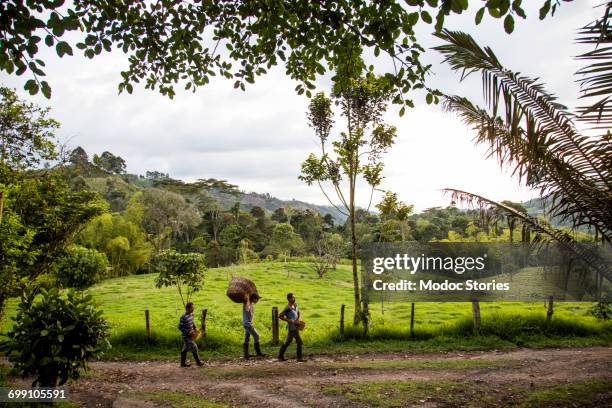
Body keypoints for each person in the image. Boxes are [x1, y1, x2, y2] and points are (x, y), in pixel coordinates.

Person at [278, 292, 306, 362]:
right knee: (299, 342)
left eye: (294, 297)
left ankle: (280, 356)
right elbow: (280, 316)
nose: (294, 298)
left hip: (296, 326)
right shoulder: (288, 308)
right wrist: (289, 320)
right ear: (289, 299)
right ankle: (299, 358)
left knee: (288, 341)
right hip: (292, 327)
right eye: (293, 297)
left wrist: (297, 319)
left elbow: (298, 312)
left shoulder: (295, 305)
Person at [178, 302, 204, 367]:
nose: (193, 309)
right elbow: (180, 327)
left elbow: (192, 322)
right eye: (192, 308)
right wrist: (188, 332)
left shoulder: (191, 314)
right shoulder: (183, 317)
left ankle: (182, 363)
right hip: (186, 337)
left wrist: (195, 328)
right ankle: (198, 362)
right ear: (187, 308)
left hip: (191, 336)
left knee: (185, 348)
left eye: (193, 308)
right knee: (194, 347)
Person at [243, 293, 265, 359]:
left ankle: (246, 355)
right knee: (257, 336)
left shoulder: (251, 304)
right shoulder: (247, 304)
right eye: (257, 299)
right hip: (248, 324)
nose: (258, 300)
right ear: (253, 299)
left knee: (247, 339)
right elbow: (247, 309)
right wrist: (247, 300)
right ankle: (258, 353)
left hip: (248, 323)